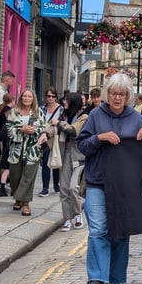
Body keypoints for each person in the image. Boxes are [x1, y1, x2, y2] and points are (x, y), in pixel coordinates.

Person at [76, 73, 142, 284]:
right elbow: (82, 146)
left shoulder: (136, 118)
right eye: (113, 93)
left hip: (125, 184)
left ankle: (116, 278)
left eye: (121, 94)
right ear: (107, 94)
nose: (117, 98)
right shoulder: (96, 115)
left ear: (128, 96)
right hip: (98, 181)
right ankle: (95, 280)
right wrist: (99, 138)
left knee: (120, 231)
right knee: (98, 230)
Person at [6, 89, 47, 217]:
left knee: (28, 177)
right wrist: (21, 130)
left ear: (33, 98)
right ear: (21, 98)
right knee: (15, 177)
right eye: (25, 96)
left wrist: (34, 130)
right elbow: (8, 129)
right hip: (16, 150)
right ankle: (18, 199)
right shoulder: (14, 112)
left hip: (32, 150)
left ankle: (26, 204)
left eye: (29, 96)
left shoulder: (38, 112)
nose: (27, 98)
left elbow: (44, 128)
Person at [52, 92, 88, 231]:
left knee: (74, 187)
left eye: (66, 100)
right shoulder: (64, 115)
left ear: (73, 101)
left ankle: (77, 214)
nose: (64, 102)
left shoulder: (84, 117)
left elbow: (73, 130)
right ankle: (67, 218)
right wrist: (44, 134)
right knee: (64, 188)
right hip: (65, 153)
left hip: (79, 156)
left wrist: (59, 123)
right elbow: (52, 126)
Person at [39, 87, 64, 197]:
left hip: (57, 137)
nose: (50, 98)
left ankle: (56, 184)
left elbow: (63, 123)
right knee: (45, 162)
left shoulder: (61, 109)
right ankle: (45, 188)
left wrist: (57, 122)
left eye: (53, 96)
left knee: (55, 160)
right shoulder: (42, 109)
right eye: (48, 96)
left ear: (56, 97)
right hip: (45, 137)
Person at [0, 93, 15, 196]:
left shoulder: (0, 108)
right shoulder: (8, 111)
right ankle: (11, 188)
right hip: (8, 140)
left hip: (0, 137)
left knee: (4, 165)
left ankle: (2, 187)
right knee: (11, 166)